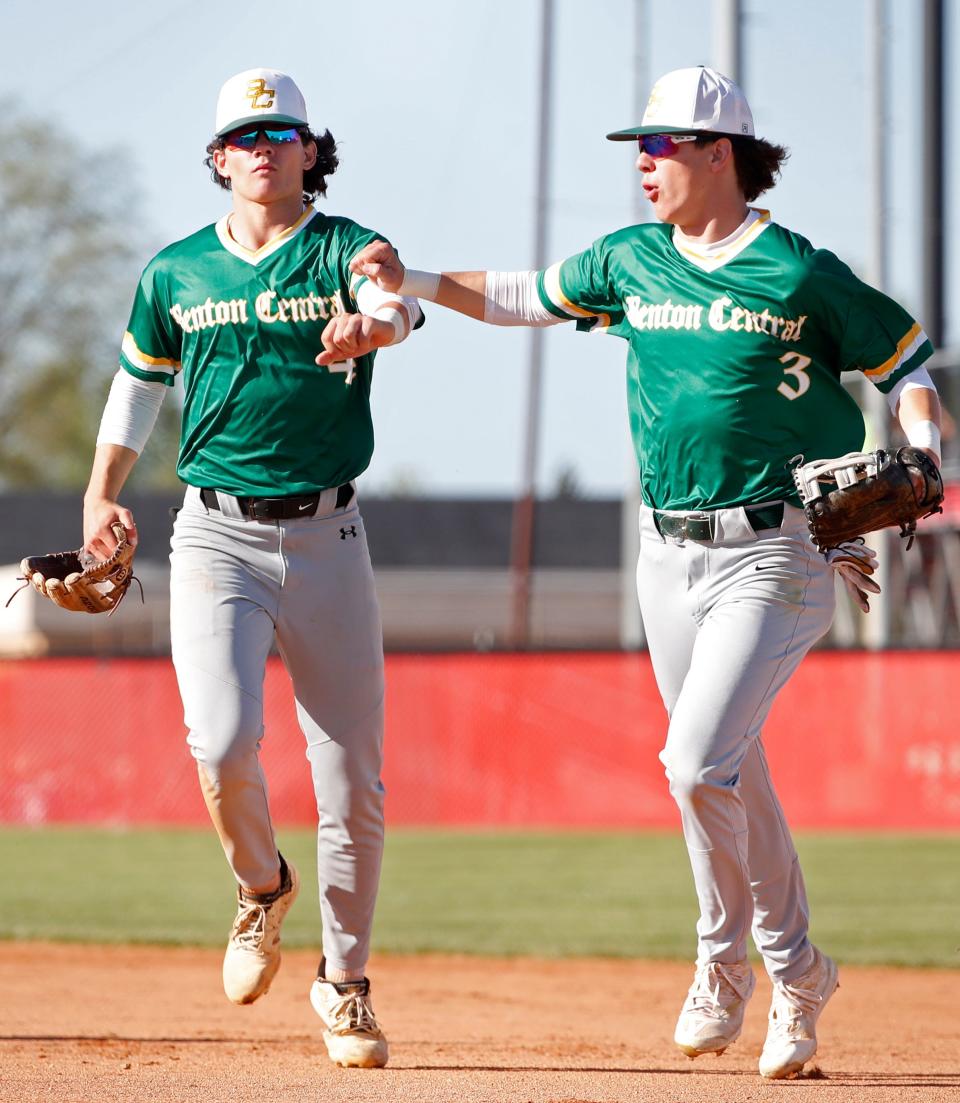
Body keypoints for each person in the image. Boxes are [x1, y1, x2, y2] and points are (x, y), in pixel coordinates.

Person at [348, 66, 942, 1080]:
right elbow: (520, 296)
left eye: (659, 147)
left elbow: (909, 364)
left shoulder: (799, 273)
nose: (642, 165)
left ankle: (725, 962)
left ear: (720, 154)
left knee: (695, 762)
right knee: (728, 765)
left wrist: (925, 448)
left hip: (780, 547)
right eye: (640, 148)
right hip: (664, 555)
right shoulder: (631, 260)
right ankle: (802, 974)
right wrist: (410, 279)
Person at [83, 67, 424, 1069]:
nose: (264, 147)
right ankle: (260, 886)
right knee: (222, 738)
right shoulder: (176, 271)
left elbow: (398, 302)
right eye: (245, 135)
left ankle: (346, 982)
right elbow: (137, 384)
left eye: (283, 132)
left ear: (312, 150)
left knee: (350, 774)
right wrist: (103, 490)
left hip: (330, 537)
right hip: (215, 533)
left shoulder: (347, 247)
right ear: (219, 157)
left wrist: (378, 320)